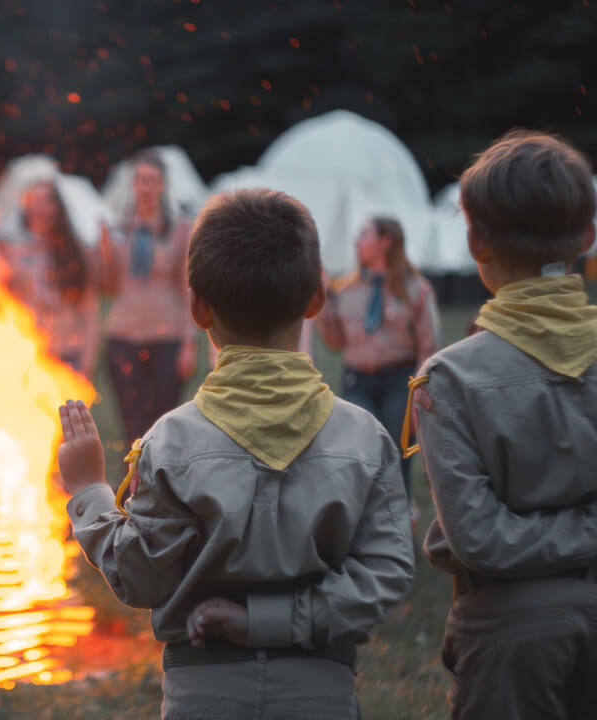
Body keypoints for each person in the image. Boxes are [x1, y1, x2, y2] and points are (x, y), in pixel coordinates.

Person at [57, 189, 414, 719]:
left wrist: (90, 490)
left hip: (203, 695)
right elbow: (385, 574)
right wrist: (275, 621)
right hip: (322, 692)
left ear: (196, 307)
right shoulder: (364, 438)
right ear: (316, 299)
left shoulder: (170, 442)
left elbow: (141, 576)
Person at [405, 130, 597, 719]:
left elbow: (481, 540)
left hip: (509, 637)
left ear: (474, 242)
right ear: (588, 236)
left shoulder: (448, 379)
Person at [315, 217, 439, 500]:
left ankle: (402, 514)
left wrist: (420, 393)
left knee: (396, 455)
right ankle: (367, 519)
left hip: (400, 380)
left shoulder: (416, 289)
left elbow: (428, 347)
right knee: (360, 451)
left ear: (385, 241)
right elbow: (334, 342)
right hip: (358, 380)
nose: (357, 241)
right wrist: (322, 305)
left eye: (364, 234)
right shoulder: (345, 288)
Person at [100, 150, 197, 445]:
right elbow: (109, 288)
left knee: (163, 419)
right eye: (141, 179)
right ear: (133, 184)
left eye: (152, 180)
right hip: (123, 332)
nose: (146, 187)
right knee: (132, 421)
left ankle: (161, 472)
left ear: (163, 185)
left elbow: (187, 287)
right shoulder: (119, 228)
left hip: (166, 334)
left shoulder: (179, 229)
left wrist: (189, 343)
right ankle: (132, 473)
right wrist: (106, 251)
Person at [0, 179, 100, 376]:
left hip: (69, 353)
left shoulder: (76, 252)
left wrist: (87, 361)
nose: (41, 208)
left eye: (47, 201)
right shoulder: (12, 252)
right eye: (34, 201)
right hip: (30, 355)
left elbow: (89, 312)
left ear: (58, 208)